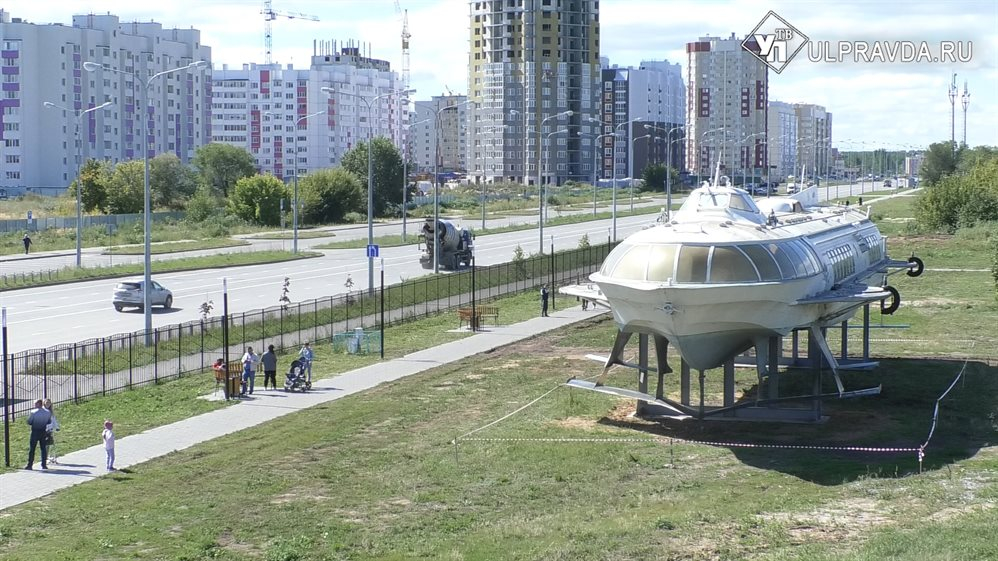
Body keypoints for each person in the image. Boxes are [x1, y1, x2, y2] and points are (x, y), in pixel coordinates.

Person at [25, 399, 52, 470]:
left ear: (38, 404)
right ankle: (44, 465)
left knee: (32, 449)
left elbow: (29, 422)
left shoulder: (33, 412)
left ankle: (30, 465)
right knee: (43, 449)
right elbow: (49, 421)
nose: (34, 405)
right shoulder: (47, 412)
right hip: (43, 431)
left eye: (35, 404)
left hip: (35, 432)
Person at [44, 398, 60, 465]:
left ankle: (50, 457)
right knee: (45, 444)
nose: (48, 404)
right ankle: (44, 458)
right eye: (46, 403)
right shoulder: (43, 411)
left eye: (49, 403)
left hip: (50, 430)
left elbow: (54, 420)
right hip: (44, 430)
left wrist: (57, 427)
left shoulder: (51, 412)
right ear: (44, 403)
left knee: (50, 444)